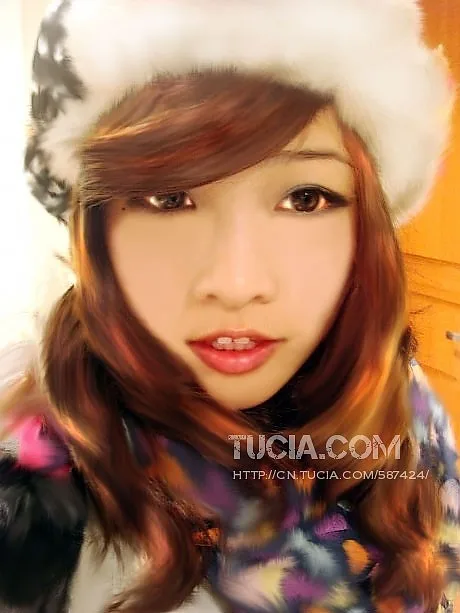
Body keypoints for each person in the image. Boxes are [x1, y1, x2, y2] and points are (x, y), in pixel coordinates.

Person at [0, 0, 459, 611]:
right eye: (167, 198)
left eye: (305, 198)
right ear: (96, 230)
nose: (237, 283)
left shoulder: (401, 397)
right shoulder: (33, 493)